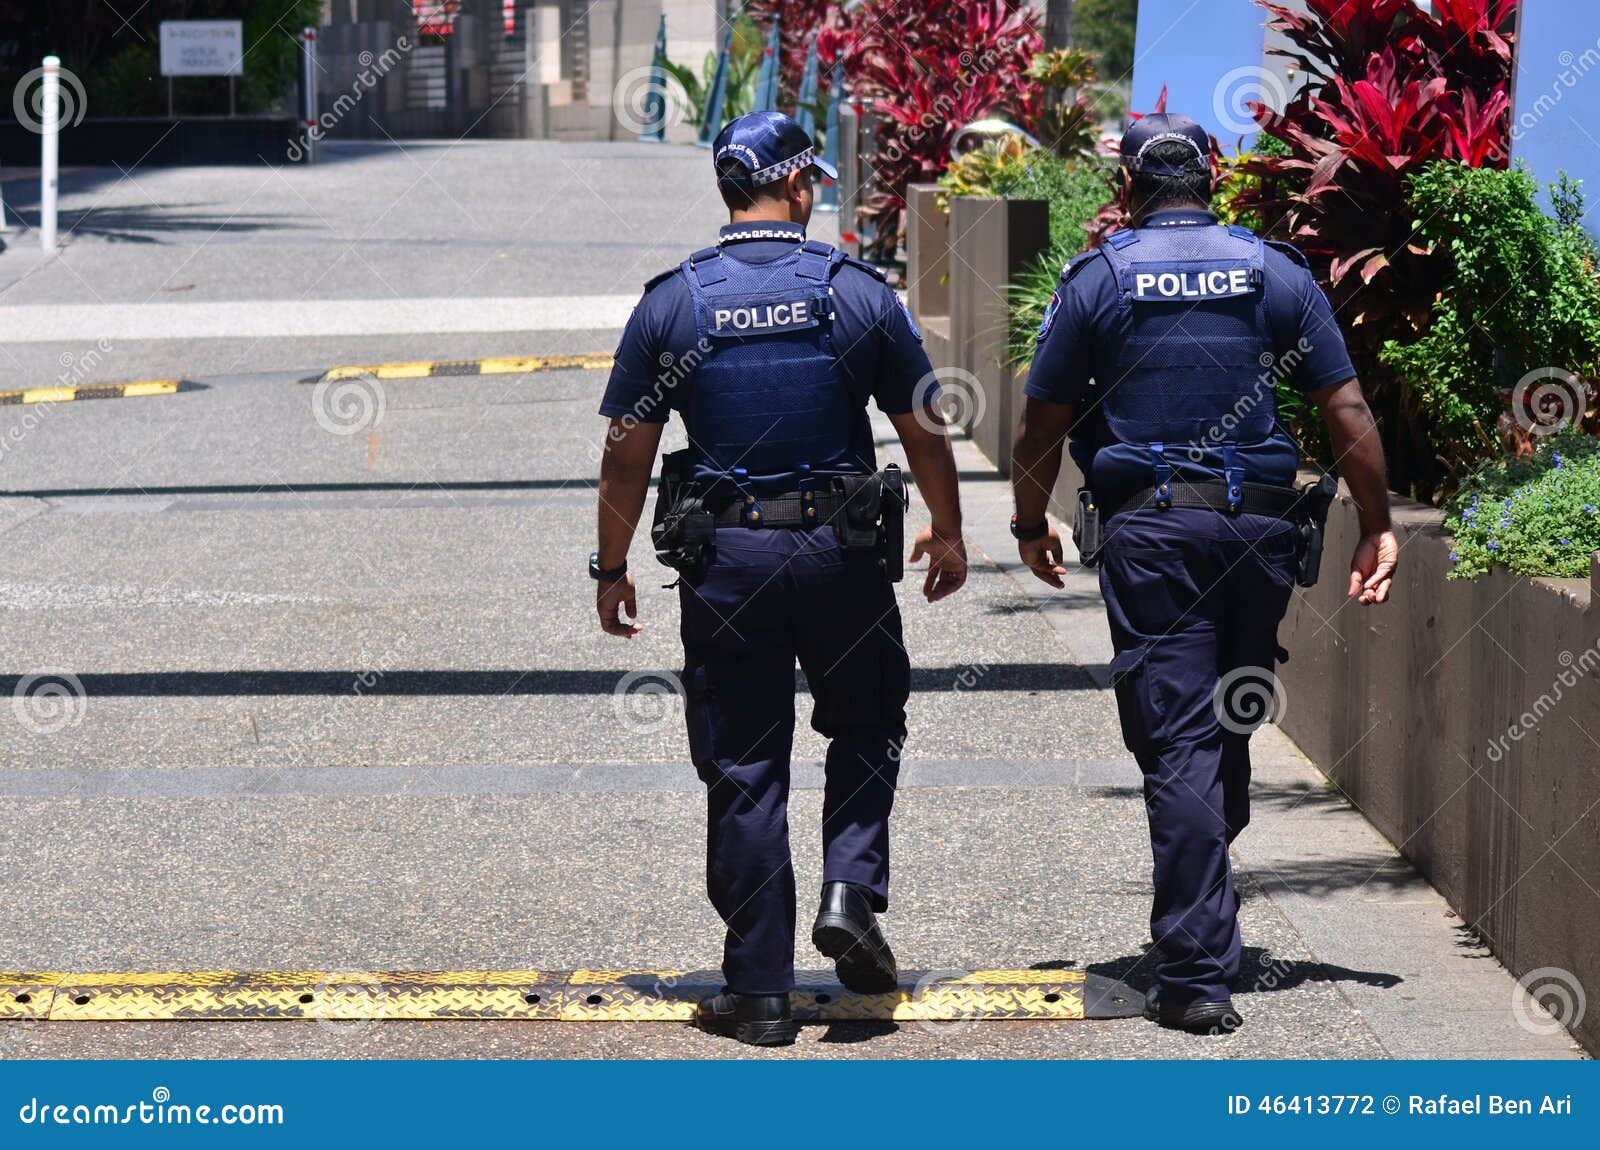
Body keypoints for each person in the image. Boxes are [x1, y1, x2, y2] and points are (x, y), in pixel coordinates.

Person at [1011, 113, 1399, 1035]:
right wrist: (1378, 525)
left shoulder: (1100, 280)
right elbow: (1344, 405)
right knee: (1224, 724)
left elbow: (1041, 423)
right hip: (1258, 538)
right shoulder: (1275, 273)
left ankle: (1192, 975)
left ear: (1129, 186)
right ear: (1211, 177)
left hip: (1155, 536)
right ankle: (1207, 922)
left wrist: (1031, 520)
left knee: (1178, 740)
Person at [591, 111, 969, 1047]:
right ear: (796, 186)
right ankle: (850, 887)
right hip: (842, 558)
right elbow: (924, 423)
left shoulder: (672, 304)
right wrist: (949, 529)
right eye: (814, 182)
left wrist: (610, 567)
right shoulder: (856, 295)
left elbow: (625, 453)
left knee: (746, 765)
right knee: (870, 719)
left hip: (728, 565)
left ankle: (759, 994)